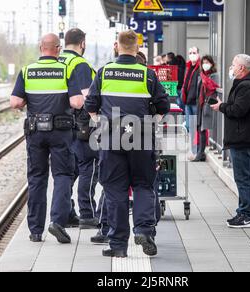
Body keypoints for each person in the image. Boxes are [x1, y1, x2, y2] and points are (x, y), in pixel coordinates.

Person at [85, 30, 170, 258]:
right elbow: (164, 106)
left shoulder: (103, 73)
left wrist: (100, 124)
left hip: (111, 136)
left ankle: (118, 245)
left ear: (116, 46)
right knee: (143, 185)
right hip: (141, 135)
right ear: (137, 48)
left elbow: (90, 105)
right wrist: (151, 123)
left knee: (115, 190)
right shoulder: (147, 75)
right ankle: (144, 231)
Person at [10, 33, 82, 244]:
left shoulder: (27, 71)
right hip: (61, 132)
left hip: (35, 132)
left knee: (37, 178)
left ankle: (35, 231)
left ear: (40, 47)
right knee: (62, 175)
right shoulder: (66, 70)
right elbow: (77, 102)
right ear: (58, 49)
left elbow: (14, 102)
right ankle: (57, 222)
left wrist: (27, 101)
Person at [210, 54, 250, 228]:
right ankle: (243, 212)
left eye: (234, 65)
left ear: (242, 68)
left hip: (244, 138)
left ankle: (247, 214)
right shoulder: (249, 84)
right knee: (244, 176)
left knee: (243, 177)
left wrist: (221, 106)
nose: (232, 67)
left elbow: (238, 110)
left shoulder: (247, 86)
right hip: (246, 136)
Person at [58, 28, 101, 231]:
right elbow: (87, 98)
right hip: (81, 126)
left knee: (69, 171)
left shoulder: (58, 62)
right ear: (82, 43)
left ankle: (66, 212)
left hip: (60, 125)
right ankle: (88, 214)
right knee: (88, 167)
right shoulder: (80, 64)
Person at [192, 55, 220, 162]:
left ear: (212, 64)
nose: (205, 65)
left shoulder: (213, 76)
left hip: (208, 104)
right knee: (199, 128)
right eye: (203, 62)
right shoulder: (201, 75)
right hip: (200, 104)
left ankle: (201, 153)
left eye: (207, 62)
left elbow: (213, 87)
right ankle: (200, 152)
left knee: (204, 128)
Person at [182, 47, 201, 158]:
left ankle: (195, 150)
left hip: (195, 101)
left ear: (198, 54)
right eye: (190, 53)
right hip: (188, 101)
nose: (192, 55)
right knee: (190, 126)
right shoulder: (188, 66)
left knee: (195, 127)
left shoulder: (199, 68)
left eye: (194, 53)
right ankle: (194, 150)